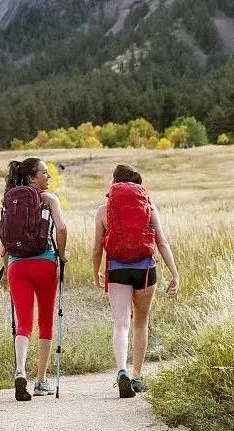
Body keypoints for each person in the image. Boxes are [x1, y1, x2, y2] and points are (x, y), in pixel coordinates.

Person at [92, 164, 179, 398]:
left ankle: (122, 371)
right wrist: (174, 273)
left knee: (121, 323)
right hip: (146, 270)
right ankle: (138, 376)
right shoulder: (149, 208)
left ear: (115, 183)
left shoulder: (103, 211)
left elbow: (96, 249)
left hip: (117, 268)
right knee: (141, 322)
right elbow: (162, 243)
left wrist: (95, 272)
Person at [0, 157, 68, 401]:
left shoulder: (9, 200)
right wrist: (61, 254)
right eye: (44, 173)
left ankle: (20, 371)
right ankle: (40, 381)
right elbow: (61, 228)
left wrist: (6, 266)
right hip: (44, 263)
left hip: (17, 267)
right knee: (46, 322)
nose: (48, 177)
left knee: (24, 322)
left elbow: (5, 240)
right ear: (32, 177)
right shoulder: (49, 200)